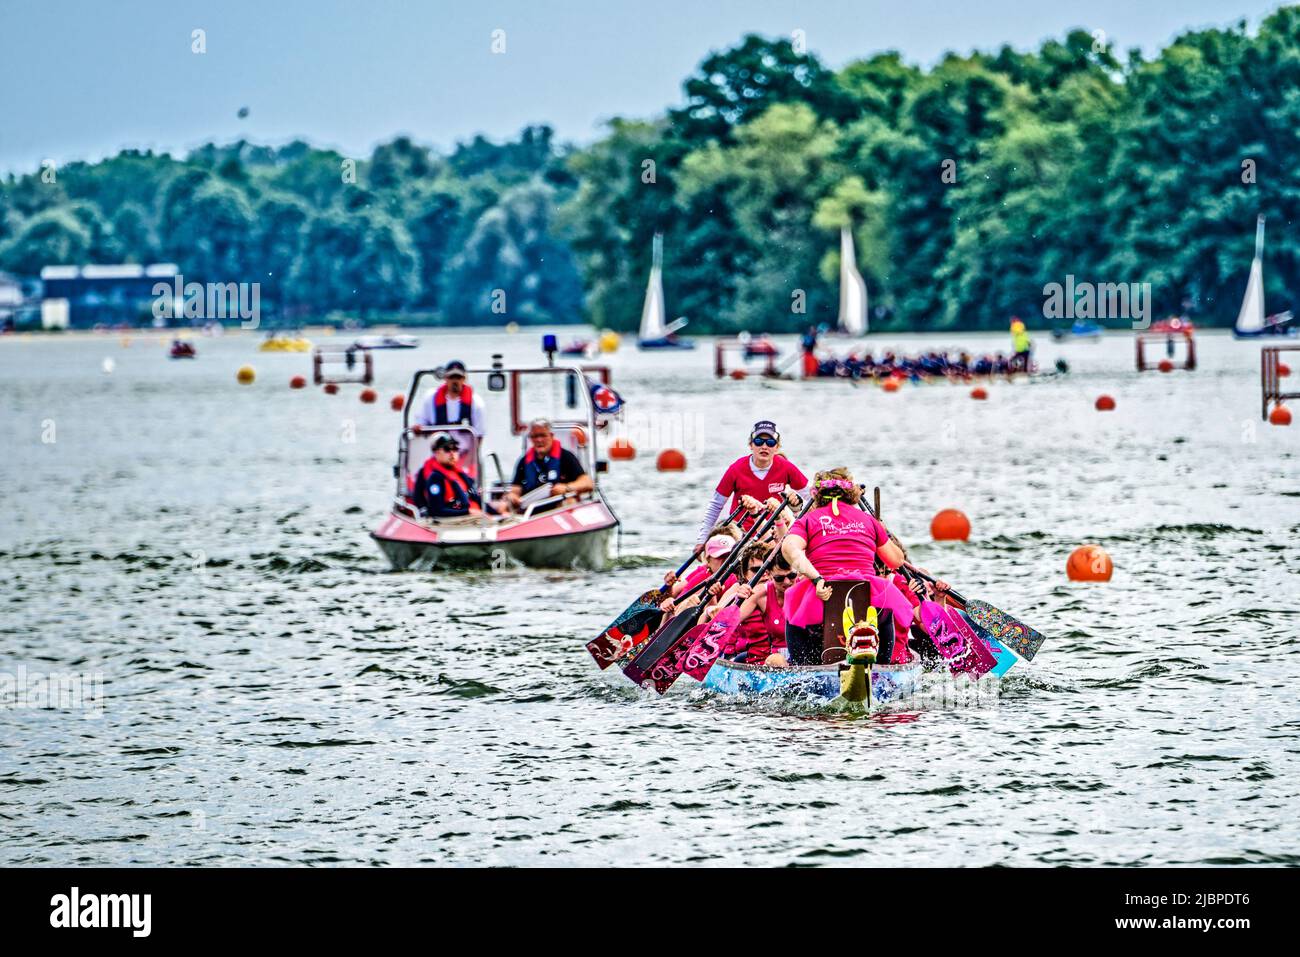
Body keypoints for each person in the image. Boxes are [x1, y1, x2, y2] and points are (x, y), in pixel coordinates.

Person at [778, 468, 916, 666]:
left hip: (821, 597)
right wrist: (881, 530)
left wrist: (816, 578)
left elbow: (789, 548)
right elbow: (896, 561)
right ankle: (883, 668)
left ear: (817, 495)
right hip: (867, 597)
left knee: (793, 616)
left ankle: (802, 669)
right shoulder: (870, 521)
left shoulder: (808, 520)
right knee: (886, 614)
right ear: (851, 493)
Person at [694, 420, 807, 550]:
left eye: (770, 443)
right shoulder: (736, 469)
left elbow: (811, 496)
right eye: (759, 442)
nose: (764, 446)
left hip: (772, 533)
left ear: (777, 447)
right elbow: (715, 505)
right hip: (740, 535)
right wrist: (702, 540)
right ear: (751, 445)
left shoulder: (786, 468)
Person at [504, 418, 593, 510]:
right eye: (535, 436)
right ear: (530, 438)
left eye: (543, 435)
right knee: (504, 506)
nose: (539, 440)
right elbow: (515, 489)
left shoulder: (566, 457)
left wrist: (566, 488)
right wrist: (512, 496)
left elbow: (587, 483)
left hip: (558, 507)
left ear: (551, 436)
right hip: (530, 510)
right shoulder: (523, 461)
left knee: (570, 502)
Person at [411, 432, 496, 519]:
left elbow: (476, 499)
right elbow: (436, 511)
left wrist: (496, 512)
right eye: (447, 449)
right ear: (437, 453)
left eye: (455, 449)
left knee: (501, 507)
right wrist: (469, 512)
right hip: (458, 521)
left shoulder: (460, 474)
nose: (452, 453)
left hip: (475, 517)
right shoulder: (435, 478)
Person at [415, 360, 486, 432]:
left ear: (464, 378)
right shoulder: (430, 398)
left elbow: (479, 433)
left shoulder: (476, 402)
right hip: (438, 441)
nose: (455, 381)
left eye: (458, 377)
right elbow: (421, 423)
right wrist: (418, 428)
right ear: (445, 378)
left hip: (464, 442)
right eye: (451, 377)